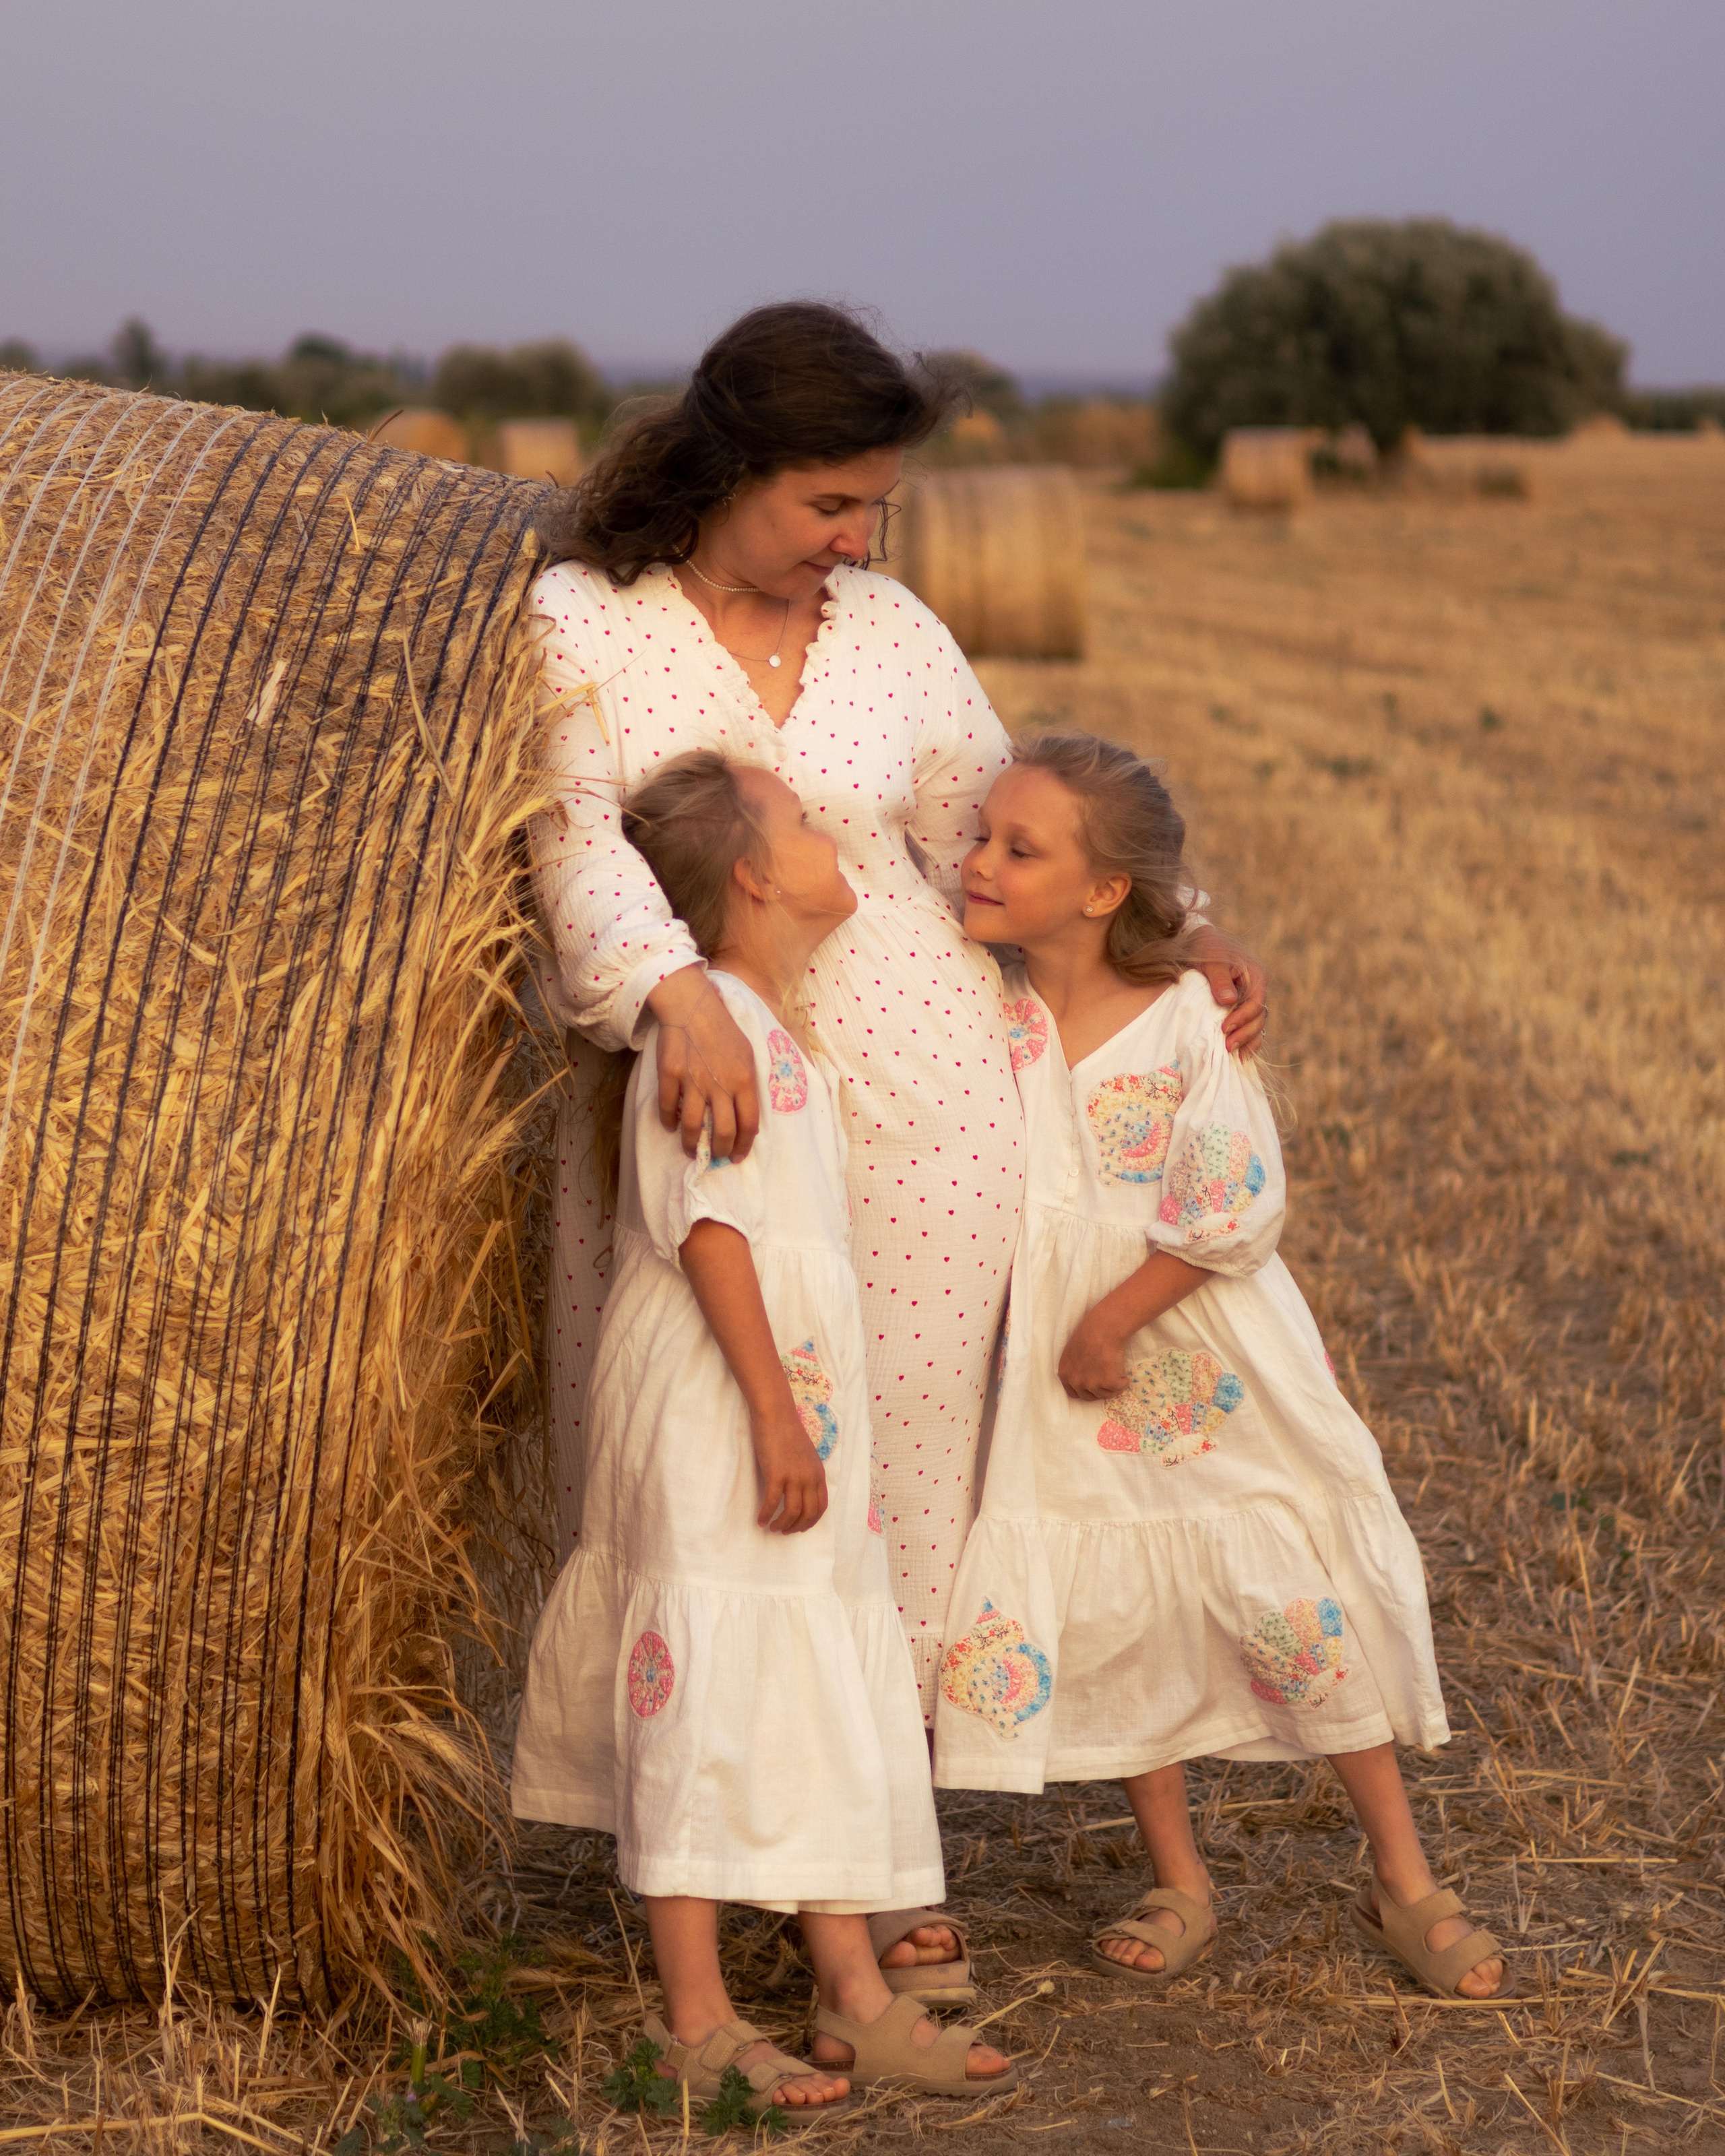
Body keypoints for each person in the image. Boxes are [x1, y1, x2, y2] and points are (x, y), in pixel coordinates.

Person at [528, 298, 1264, 1993]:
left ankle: (880, 1849)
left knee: (907, 1489)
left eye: (877, 509)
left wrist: (1169, 933)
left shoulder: (892, 629)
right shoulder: (585, 619)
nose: (857, 542)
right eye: (829, 505)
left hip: (933, 1112)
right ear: (727, 468)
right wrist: (668, 994)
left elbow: (990, 821)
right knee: (725, 1478)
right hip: (706, 1109)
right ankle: (720, 1829)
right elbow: (568, 828)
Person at [932, 733, 1513, 2004]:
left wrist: (1112, 1321)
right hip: (1056, 1371)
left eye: (1016, 849)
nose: (975, 861)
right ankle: (1179, 1878)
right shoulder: (986, 1008)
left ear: (1101, 893)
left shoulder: (1191, 1017)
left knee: (1290, 1602)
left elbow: (1234, 1201)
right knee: (1121, 1603)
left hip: (1198, 1357)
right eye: (981, 836)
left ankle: (1406, 1880)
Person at [512, 751, 1017, 2114]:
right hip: (724, 1411)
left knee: (797, 1677)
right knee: (720, 1669)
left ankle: (850, 1993)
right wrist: (776, 1412)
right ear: (748, 873)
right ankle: (694, 2014)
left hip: (780, 1412)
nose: (828, 826)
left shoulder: (769, 1031)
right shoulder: (717, 1029)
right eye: (798, 818)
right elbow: (715, 1233)